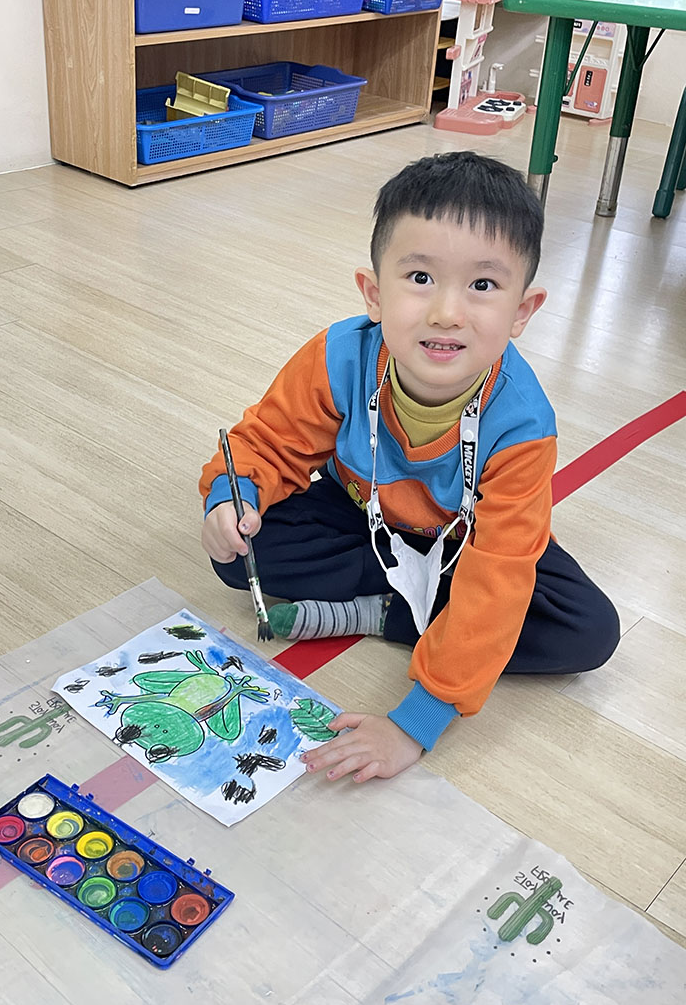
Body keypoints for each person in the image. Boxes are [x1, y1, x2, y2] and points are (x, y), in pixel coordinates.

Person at [199, 151, 620, 784]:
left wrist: (417, 721)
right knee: (239, 553)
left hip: (465, 544)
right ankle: (415, 607)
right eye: (420, 277)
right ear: (375, 293)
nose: (447, 311)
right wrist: (233, 497)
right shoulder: (339, 355)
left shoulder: (524, 426)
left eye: (483, 286)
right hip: (362, 515)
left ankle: (382, 613)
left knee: (587, 630)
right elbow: (269, 443)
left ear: (522, 311)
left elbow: (501, 571)